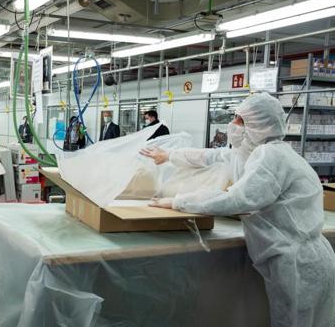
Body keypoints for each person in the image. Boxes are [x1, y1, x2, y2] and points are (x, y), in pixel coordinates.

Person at [143, 93, 335, 327]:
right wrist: (169, 155)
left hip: (299, 264)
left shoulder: (271, 155)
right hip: (301, 259)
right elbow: (210, 155)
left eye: (240, 120)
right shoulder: (258, 153)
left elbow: (238, 199)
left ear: (261, 125)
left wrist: (178, 201)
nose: (233, 125)